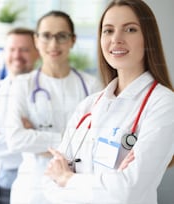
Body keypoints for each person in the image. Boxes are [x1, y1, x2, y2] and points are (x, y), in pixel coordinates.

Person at [43, 1, 174, 204]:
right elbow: (49, 185)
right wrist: (107, 185)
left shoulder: (164, 104)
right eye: (108, 31)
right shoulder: (87, 106)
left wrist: (67, 178)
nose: (116, 39)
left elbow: (127, 192)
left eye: (130, 29)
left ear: (148, 38)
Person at [5, 11, 103, 204]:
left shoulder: (92, 87)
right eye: (46, 35)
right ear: (36, 39)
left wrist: (36, 137)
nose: (53, 44)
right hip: (32, 191)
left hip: (76, 190)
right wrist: (74, 141)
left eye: (62, 36)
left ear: (72, 40)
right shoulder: (22, 84)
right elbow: (15, 140)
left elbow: (97, 143)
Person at [0, 27, 39, 204]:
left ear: (37, 52)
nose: (17, 55)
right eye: (12, 49)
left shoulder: (45, 94)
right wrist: (26, 136)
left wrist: (2, 136)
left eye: (25, 49)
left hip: (32, 180)